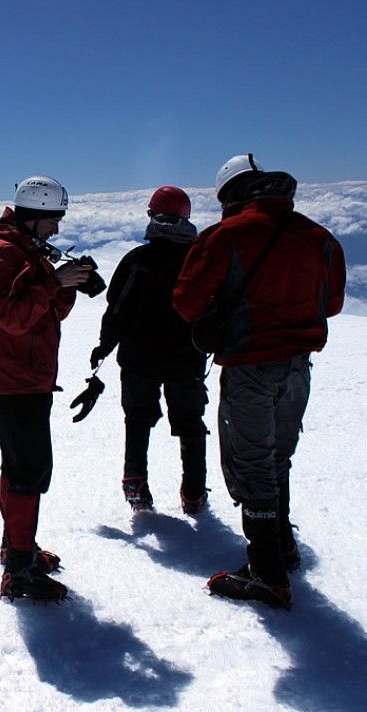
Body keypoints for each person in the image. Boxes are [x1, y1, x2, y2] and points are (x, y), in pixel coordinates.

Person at [174, 154, 346, 608]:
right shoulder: (319, 236)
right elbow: (331, 304)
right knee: (277, 458)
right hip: (298, 367)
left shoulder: (226, 235)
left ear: (231, 195)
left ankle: (267, 575)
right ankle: (282, 545)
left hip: (250, 366)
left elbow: (187, 301)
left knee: (251, 465)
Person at [0, 176, 93, 602]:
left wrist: (67, 284)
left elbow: (47, 313)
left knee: (21, 467)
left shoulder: (25, 252)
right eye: (53, 220)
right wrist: (54, 282)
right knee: (29, 471)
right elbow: (12, 318)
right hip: (14, 379)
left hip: (24, 376)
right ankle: (20, 571)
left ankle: (17, 549)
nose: (57, 228)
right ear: (34, 216)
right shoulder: (4, 255)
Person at [89, 186, 209, 514]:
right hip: (186, 358)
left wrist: (104, 346)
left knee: (138, 418)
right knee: (190, 422)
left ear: (152, 216)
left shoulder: (137, 260)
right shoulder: (197, 261)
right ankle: (194, 492)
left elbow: (116, 309)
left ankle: (135, 481)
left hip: (138, 357)